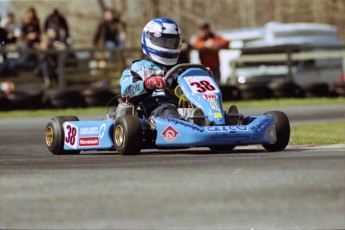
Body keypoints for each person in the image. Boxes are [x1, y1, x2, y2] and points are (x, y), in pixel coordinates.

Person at [119, 17, 184, 120]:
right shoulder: (137, 68)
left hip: (181, 109)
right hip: (152, 113)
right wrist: (147, 84)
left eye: (172, 42)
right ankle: (185, 130)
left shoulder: (181, 69)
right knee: (166, 110)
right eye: (165, 42)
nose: (169, 46)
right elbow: (126, 92)